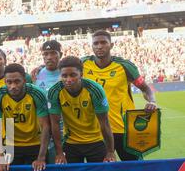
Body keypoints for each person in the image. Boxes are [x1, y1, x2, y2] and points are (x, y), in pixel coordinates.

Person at [82, 30, 157, 161]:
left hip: (123, 128)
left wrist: (152, 101)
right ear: (92, 46)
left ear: (111, 45)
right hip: (97, 131)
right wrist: (42, 67)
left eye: (103, 42)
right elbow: (64, 68)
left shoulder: (124, 66)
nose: (99, 46)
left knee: (135, 169)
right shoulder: (83, 64)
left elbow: (145, 88)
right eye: (96, 43)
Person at [48, 56, 116, 164]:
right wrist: (59, 153)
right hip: (71, 142)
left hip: (96, 141)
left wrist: (110, 152)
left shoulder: (95, 90)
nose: (68, 80)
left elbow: (105, 123)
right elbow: (54, 124)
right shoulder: (54, 92)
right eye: (64, 76)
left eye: (73, 75)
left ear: (81, 74)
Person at [0, 63, 51, 171]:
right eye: (9, 82)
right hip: (10, 146)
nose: (13, 86)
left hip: (35, 144)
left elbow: (45, 127)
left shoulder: (36, 94)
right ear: (5, 81)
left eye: (17, 81)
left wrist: (41, 157)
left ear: (24, 80)